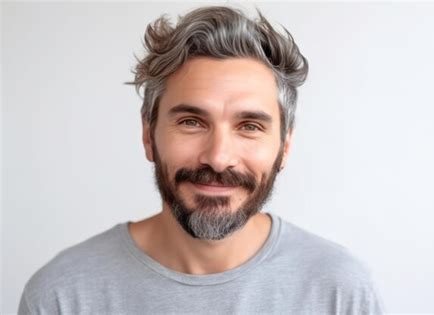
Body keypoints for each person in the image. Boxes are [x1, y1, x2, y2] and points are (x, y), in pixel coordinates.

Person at [18, 6, 385, 314]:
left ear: (284, 147)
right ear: (149, 135)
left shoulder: (340, 293)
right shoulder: (62, 297)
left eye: (250, 126)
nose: (219, 157)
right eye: (191, 122)